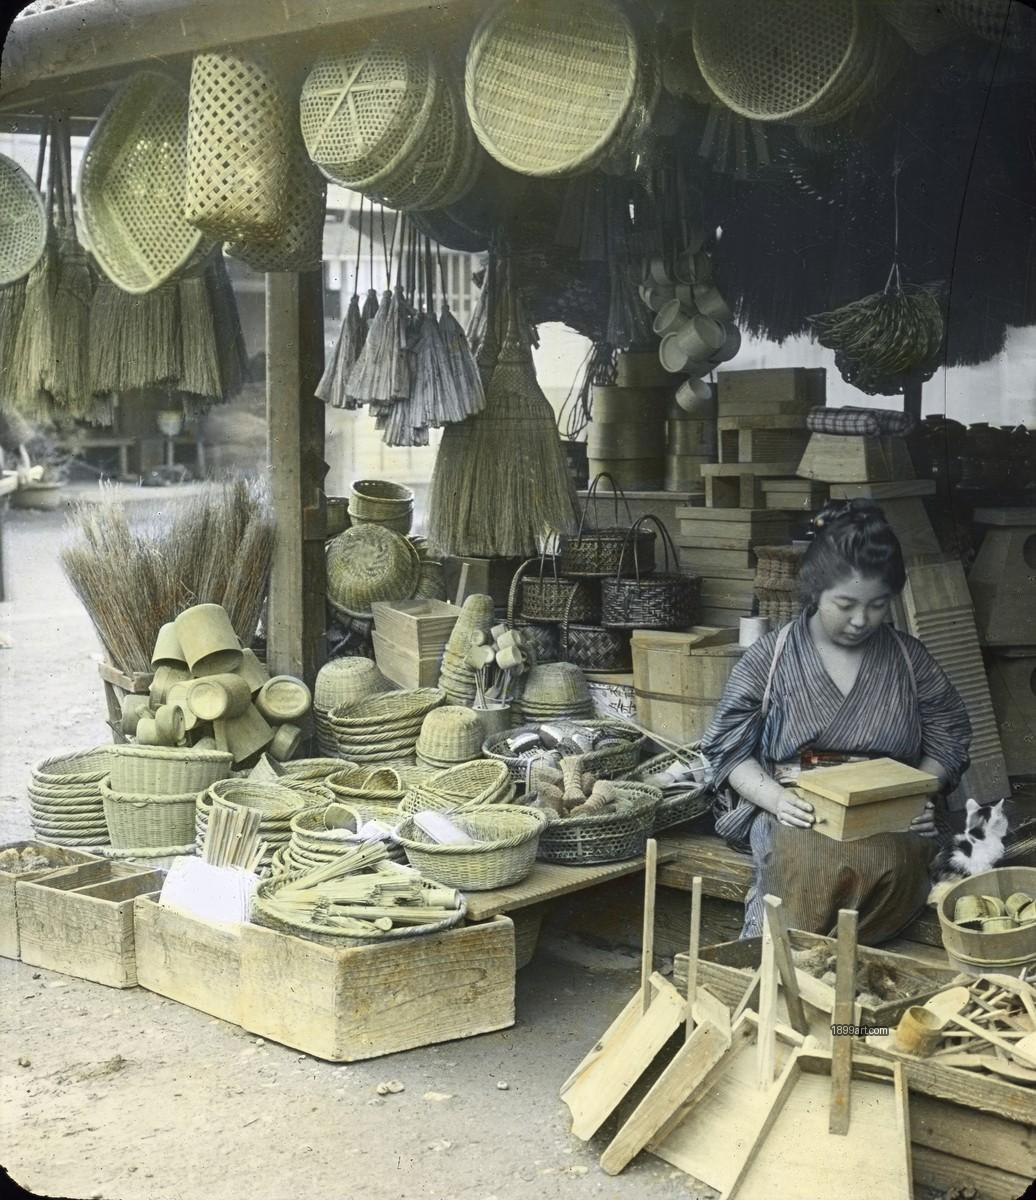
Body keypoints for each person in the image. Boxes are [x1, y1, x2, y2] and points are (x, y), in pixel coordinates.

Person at [701, 499, 972, 943]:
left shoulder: (909, 658)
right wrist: (774, 800)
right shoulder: (770, 658)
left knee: (896, 860)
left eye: (878, 605)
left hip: (889, 813)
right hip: (798, 809)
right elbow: (728, 752)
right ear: (815, 591)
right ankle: (787, 973)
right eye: (845, 604)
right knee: (804, 861)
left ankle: (846, 973)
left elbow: (948, 738)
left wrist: (919, 796)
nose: (861, 620)